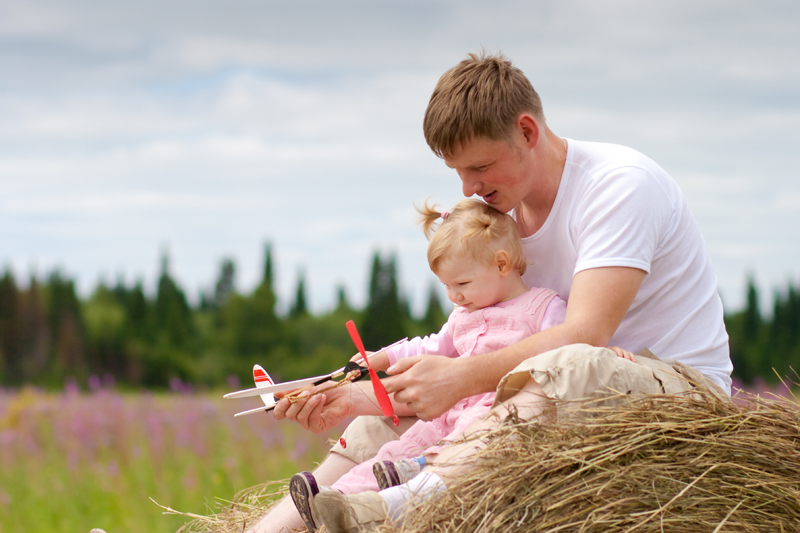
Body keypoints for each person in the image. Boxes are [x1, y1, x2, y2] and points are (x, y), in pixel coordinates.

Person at [254, 51, 732, 533]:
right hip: (550, 383)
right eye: (457, 171)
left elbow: (586, 332)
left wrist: (460, 378)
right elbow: (480, 337)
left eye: (480, 166)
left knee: (572, 364)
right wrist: (361, 390)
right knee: (393, 421)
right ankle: (288, 522)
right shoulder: (499, 219)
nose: (469, 187)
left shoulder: (620, 187)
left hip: (677, 390)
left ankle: (399, 507)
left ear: (527, 132)